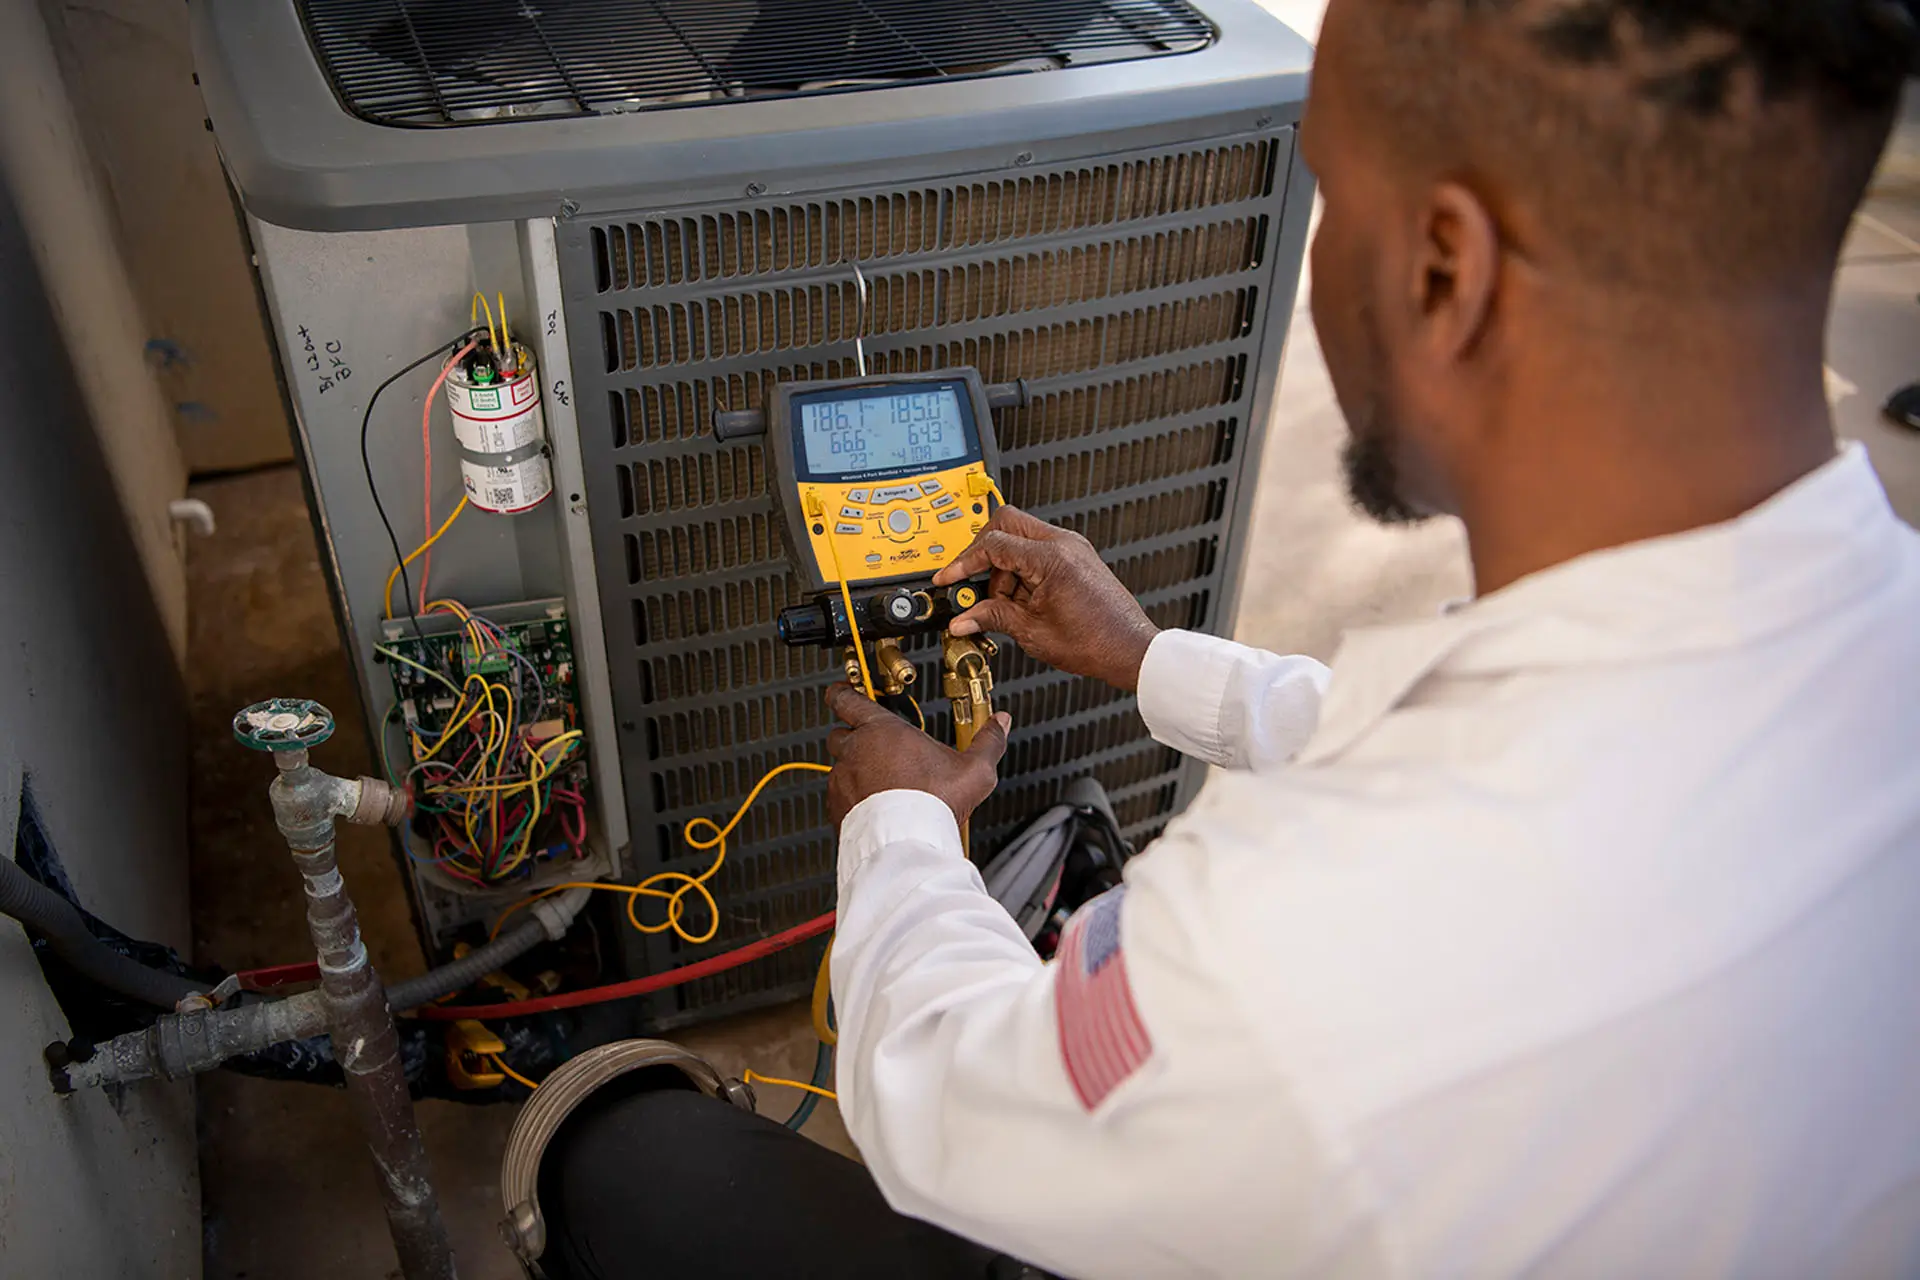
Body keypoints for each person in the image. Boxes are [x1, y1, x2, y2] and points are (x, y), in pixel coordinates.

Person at [536, 1, 1920, 1275]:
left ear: (1444, 270)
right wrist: (1154, 660)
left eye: (1330, 201)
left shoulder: (1296, 938)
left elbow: (952, 1103)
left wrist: (900, 833)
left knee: (624, 1148)